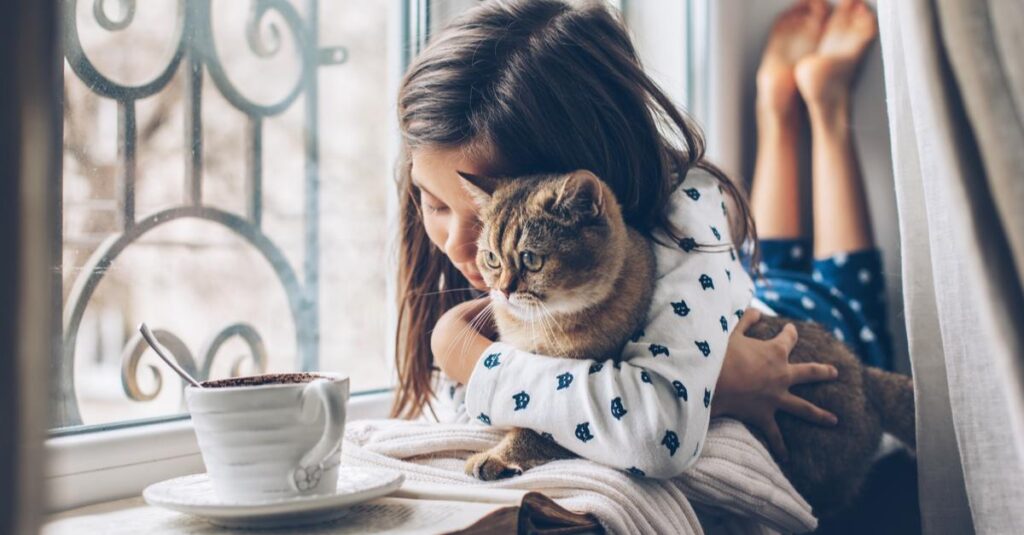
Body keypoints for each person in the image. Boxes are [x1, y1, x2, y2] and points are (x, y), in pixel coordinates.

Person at [392, 0, 845, 477]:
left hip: (799, 328)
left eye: (492, 211)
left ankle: (808, 109)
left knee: (826, 285)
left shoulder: (687, 215)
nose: (461, 244)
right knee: (777, 258)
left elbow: (658, 435)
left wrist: (470, 357)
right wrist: (715, 387)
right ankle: (783, 109)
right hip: (741, 278)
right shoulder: (494, 253)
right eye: (437, 205)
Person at [750, 0, 890, 370]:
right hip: (753, 305)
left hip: (819, 343)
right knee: (768, 281)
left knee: (855, 323)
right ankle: (777, 109)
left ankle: (827, 109)